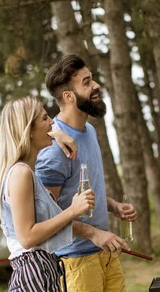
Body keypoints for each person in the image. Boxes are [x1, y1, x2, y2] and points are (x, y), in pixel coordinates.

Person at [36, 54, 137, 292]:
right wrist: (93, 234)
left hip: (104, 251)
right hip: (75, 261)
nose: (96, 86)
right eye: (87, 82)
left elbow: (82, 190)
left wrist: (112, 205)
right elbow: (45, 215)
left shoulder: (88, 130)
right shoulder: (54, 149)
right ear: (69, 96)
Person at [0, 96, 96, 292]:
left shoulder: (23, 171)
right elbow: (27, 237)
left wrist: (57, 135)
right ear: (28, 130)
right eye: (45, 118)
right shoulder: (20, 173)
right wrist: (72, 210)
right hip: (33, 269)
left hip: (40, 267)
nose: (52, 122)